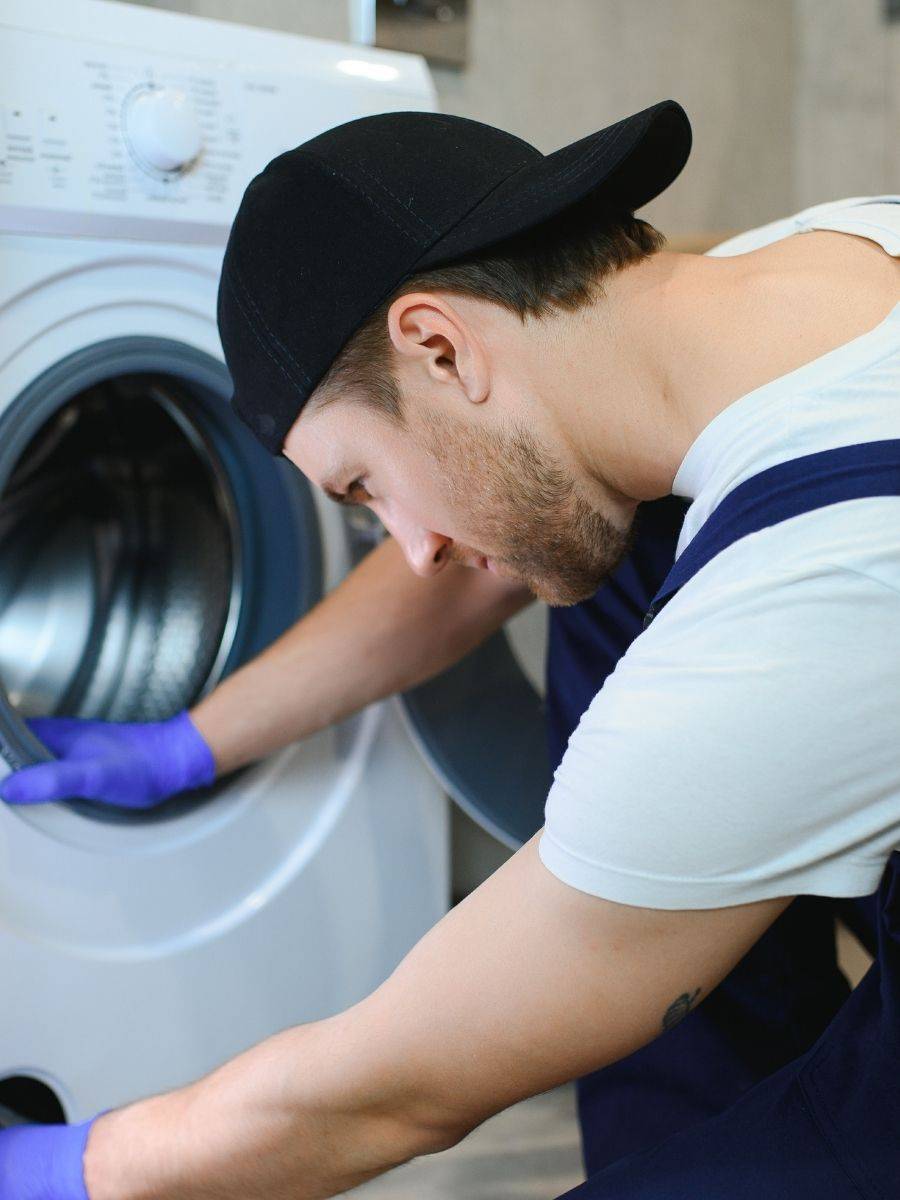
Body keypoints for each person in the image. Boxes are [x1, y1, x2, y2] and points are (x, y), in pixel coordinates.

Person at [1, 100, 898, 1199]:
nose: (414, 552)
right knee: (598, 551)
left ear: (437, 342)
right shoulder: (814, 257)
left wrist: (72, 1169)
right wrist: (198, 737)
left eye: (366, 490)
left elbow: (402, 1091)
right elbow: (496, 515)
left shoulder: (812, 586)